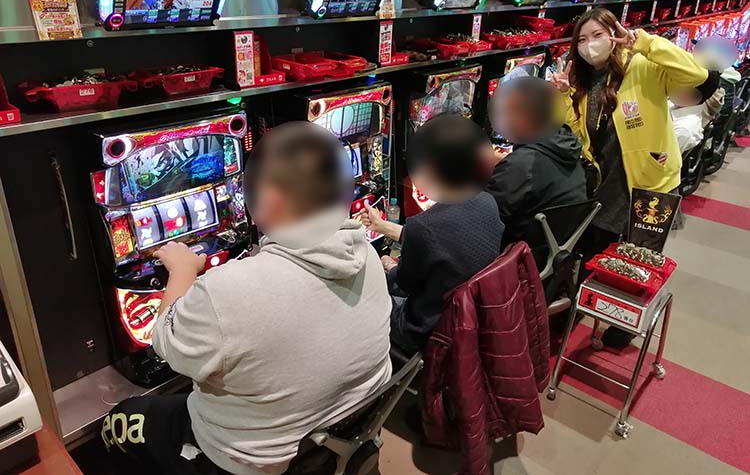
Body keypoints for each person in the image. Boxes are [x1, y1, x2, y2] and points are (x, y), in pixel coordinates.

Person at [103, 122, 392, 475]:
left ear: (269, 199)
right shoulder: (366, 253)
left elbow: (167, 345)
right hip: (343, 434)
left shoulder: (229, 290)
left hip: (252, 462)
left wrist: (182, 271)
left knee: (122, 418)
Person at [549, 7, 711, 348]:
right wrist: (563, 94)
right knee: (591, 252)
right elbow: (577, 132)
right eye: (582, 39)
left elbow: (696, 74)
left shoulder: (643, 65)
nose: (590, 45)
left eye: (598, 35)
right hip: (605, 182)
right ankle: (578, 307)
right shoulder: (583, 81)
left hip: (652, 184)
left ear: (614, 34)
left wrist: (645, 42)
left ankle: (622, 324)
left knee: (638, 261)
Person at [359, 115, 503, 353]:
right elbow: (443, 238)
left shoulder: (424, 227)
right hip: (474, 316)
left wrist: (387, 267)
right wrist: (383, 227)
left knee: (360, 298)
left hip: (430, 329)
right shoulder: (487, 201)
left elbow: (405, 284)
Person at [485, 74, 587, 246]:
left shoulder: (519, 167)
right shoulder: (566, 144)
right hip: (553, 249)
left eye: (506, 112)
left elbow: (483, 216)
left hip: (516, 252)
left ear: (525, 117)